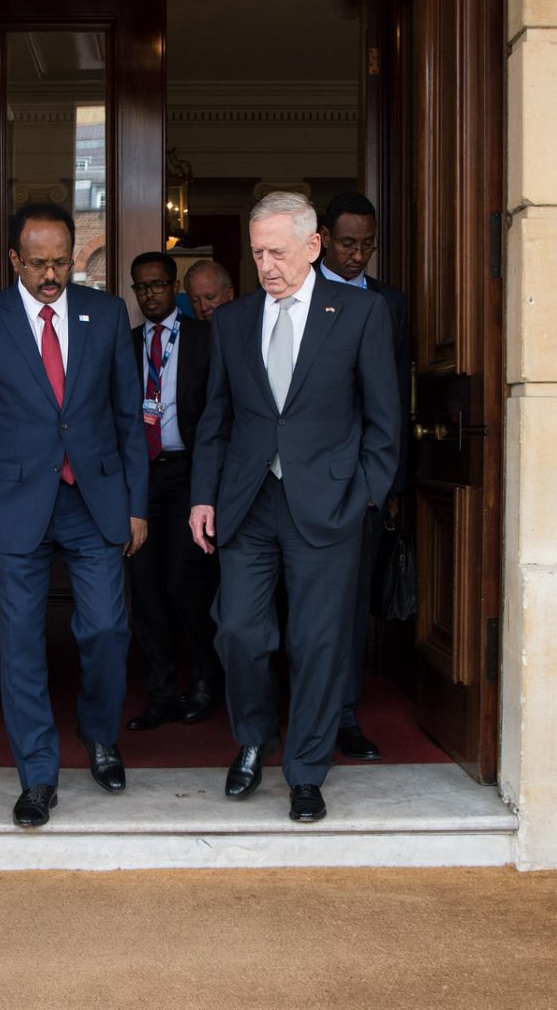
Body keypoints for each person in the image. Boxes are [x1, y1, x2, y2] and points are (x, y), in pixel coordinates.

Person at [0, 201, 149, 829]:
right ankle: (37, 775)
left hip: (94, 501)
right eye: (38, 264)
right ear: (14, 260)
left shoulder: (105, 314)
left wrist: (136, 505)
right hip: (16, 505)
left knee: (108, 629)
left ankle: (100, 735)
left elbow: (127, 420)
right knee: (21, 644)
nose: (51, 275)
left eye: (60, 262)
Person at [188, 191, 398, 823]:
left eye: (277, 251)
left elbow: (384, 421)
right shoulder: (233, 320)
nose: (266, 265)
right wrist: (203, 494)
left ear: (313, 247)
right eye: (257, 253)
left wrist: (365, 494)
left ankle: (306, 771)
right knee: (239, 632)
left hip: (329, 505)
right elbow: (215, 420)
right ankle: (254, 738)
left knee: (318, 642)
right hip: (248, 503)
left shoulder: (361, 314)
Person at [316, 192, 412, 762]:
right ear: (323, 238)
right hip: (300, 476)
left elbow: (393, 397)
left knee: (351, 605)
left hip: (362, 482)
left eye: (368, 245)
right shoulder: (295, 294)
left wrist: (387, 485)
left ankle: (344, 714)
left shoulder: (389, 304)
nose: (359, 255)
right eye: (349, 243)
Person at [123, 251, 223, 732]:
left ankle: (208, 679)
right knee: (144, 589)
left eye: (158, 285)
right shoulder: (125, 344)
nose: (150, 294)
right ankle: (161, 692)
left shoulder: (208, 338)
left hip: (190, 474)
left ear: (174, 285)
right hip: (141, 477)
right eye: (141, 287)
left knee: (186, 583)